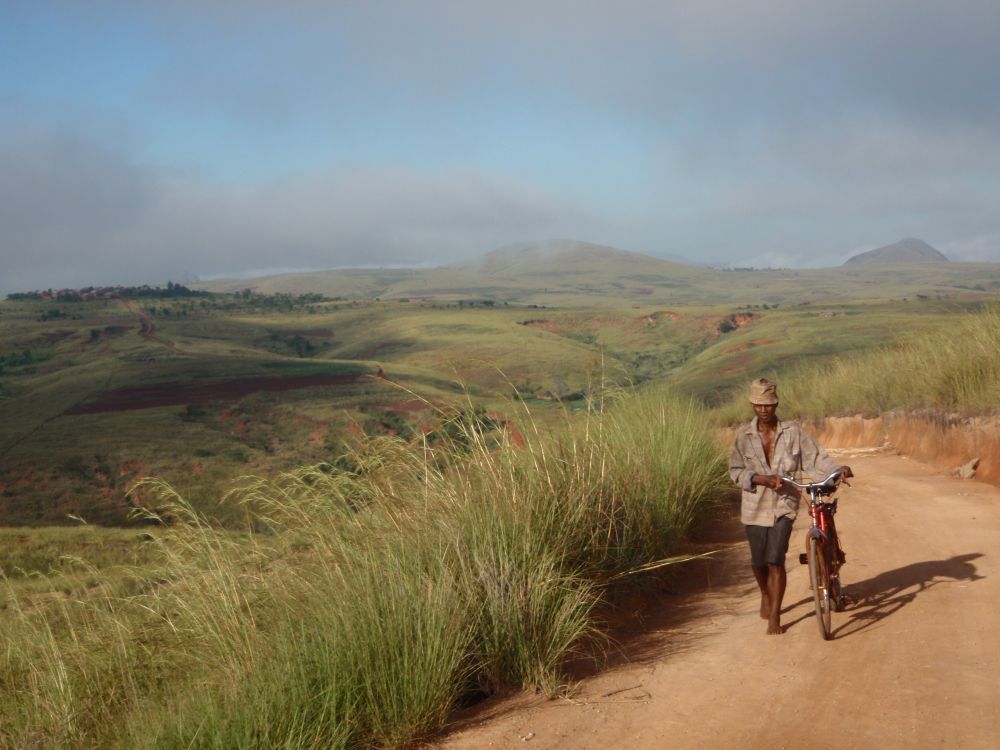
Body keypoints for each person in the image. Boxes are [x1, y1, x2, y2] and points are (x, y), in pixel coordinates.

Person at [729, 378, 853, 635]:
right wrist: (759, 478)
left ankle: (775, 616)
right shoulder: (743, 437)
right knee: (758, 561)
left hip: (784, 505)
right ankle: (765, 592)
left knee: (775, 559)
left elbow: (816, 458)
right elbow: (735, 471)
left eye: (770, 405)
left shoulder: (793, 433)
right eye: (760, 405)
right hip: (753, 506)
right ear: (752, 404)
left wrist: (836, 470)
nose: (765, 410)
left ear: (777, 404)